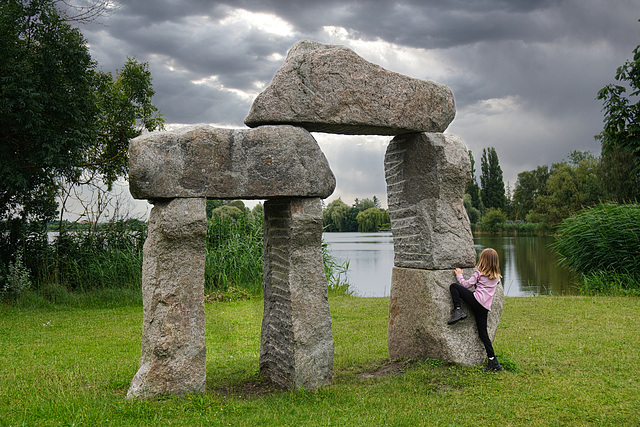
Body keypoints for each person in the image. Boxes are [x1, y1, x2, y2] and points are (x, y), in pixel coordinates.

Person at [448, 248, 503, 372]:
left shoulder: (479, 273)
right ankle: (493, 361)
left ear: (483, 260)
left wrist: (459, 275)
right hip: (484, 308)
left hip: (476, 301)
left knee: (454, 287)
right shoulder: (497, 277)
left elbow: (466, 285)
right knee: (483, 334)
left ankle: (458, 310)